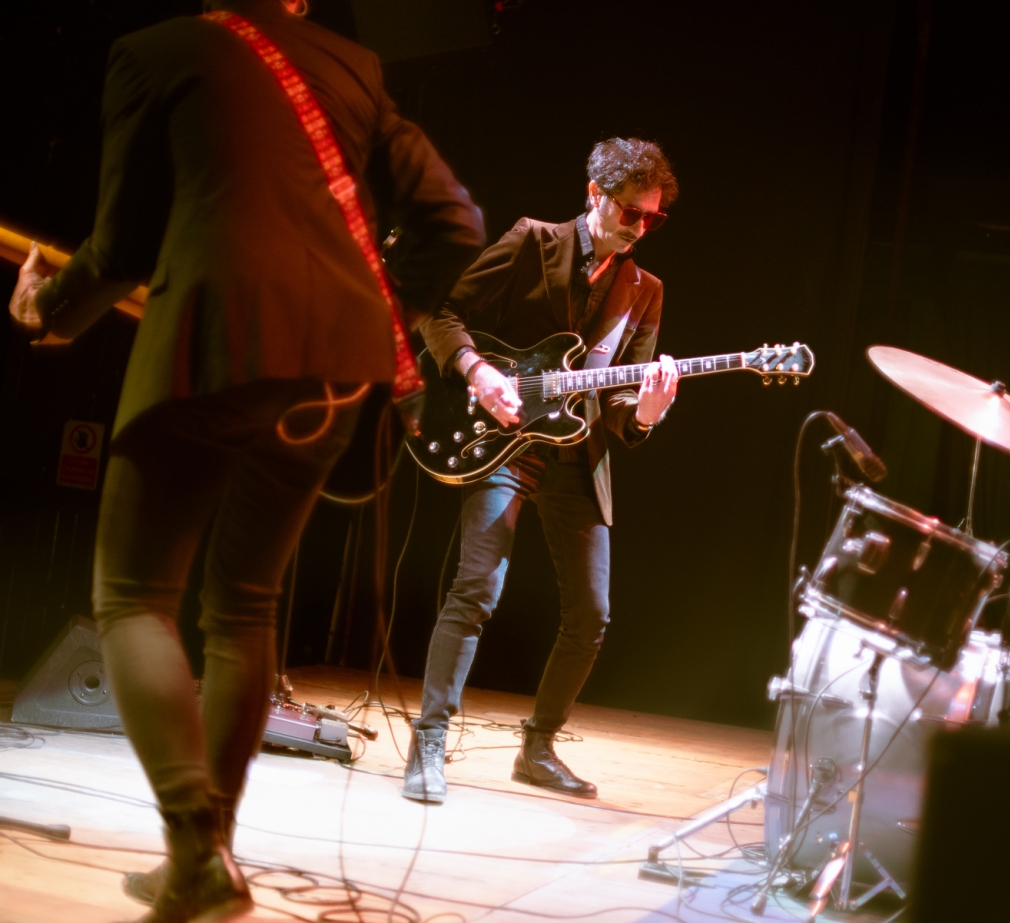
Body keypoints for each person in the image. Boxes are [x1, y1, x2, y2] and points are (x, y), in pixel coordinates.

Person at [6, 1, 484, 919]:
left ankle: (196, 849)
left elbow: (122, 246)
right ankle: (204, 861)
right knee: (245, 605)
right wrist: (381, 317)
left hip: (213, 341)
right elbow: (454, 221)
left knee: (133, 597)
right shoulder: (355, 68)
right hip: (337, 369)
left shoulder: (153, 52)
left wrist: (47, 308)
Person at [404, 138, 680, 803]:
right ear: (594, 193)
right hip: (503, 435)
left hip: (576, 453)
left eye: (652, 219)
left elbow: (620, 405)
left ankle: (537, 748)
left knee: (591, 613)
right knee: (478, 588)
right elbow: (442, 312)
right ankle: (428, 741)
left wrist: (645, 413)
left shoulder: (644, 291)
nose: (639, 228)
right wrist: (479, 371)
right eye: (630, 212)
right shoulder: (533, 240)